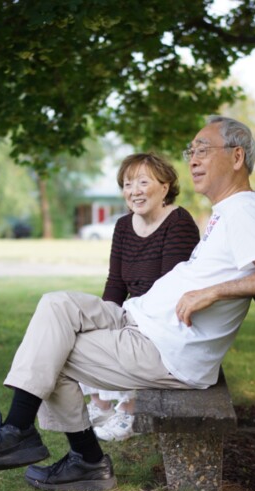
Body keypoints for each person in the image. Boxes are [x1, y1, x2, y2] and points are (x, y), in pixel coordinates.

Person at [0, 116, 255, 491]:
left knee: (53, 354)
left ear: (237, 157)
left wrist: (213, 292)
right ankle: (27, 435)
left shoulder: (243, 212)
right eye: (191, 151)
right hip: (138, 318)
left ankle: (70, 454)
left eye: (203, 150)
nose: (194, 159)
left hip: (165, 348)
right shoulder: (232, 210)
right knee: (55, 305)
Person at [82, 153, 200, 442]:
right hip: (135, 310)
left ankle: (129, 408)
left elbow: (168, 291)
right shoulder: (123, 226)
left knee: (122, 338)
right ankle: (101, 406)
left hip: (165, 318)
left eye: (143, 182)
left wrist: (126, 319)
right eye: (127, 184)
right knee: (86, 328)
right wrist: (107, 315)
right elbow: (115, 281)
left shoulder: (178, 223)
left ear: (164, 186)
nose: (133, 191)